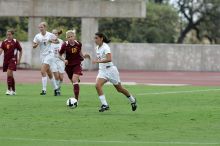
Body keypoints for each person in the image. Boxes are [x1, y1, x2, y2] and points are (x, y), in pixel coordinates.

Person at [92, 32, 137, 112]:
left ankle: (133, 100)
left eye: (96, 38)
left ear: (101, 38)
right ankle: (105, 105)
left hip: (111, 70)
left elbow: (109, 59)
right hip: (102, 71)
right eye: (94, 38)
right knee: (97, 85)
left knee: (120, 89)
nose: (95, 40)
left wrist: (98, 61)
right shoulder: (97, 48)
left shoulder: (106, 47)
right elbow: (100, 58)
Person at [59, 30, 89, 101]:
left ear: (74, 36)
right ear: (67, 38)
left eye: (71, 36)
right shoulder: (64, 45)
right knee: (73, 81)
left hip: (77, 64)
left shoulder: (78, 44)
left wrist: (84, 56)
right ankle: (76, 83)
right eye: (68, 37)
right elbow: (59, 55)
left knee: (74, 79)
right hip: (68, 66)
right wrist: (64, 60)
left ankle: (76, 99)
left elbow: (80, 52)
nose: (70, 38)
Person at [32, 22, 60, 96]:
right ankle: (56, 89)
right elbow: (33, 46)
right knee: (49, 73)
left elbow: (57, 41)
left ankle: (44, 90)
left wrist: (52, 41)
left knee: (42, 71)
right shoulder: (37, 36)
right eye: (39, 27)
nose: (40, 29)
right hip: (42, 56)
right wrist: (36, 44)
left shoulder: (50, 35)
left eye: (42, 27)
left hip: (49, 54)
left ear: (45, 27)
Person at [0, 29, 23, 95]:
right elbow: (1, 51)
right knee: (11, 75)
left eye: (9, 34)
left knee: (9, 73)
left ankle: (8, 90)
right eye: (7, 34)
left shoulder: (15, 42)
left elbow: (21, 50)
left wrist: (19, 59)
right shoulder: (4, 42)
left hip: (13, 60)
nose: (8, 36)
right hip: (6, 60)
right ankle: (14, 90)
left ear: (12, 35)